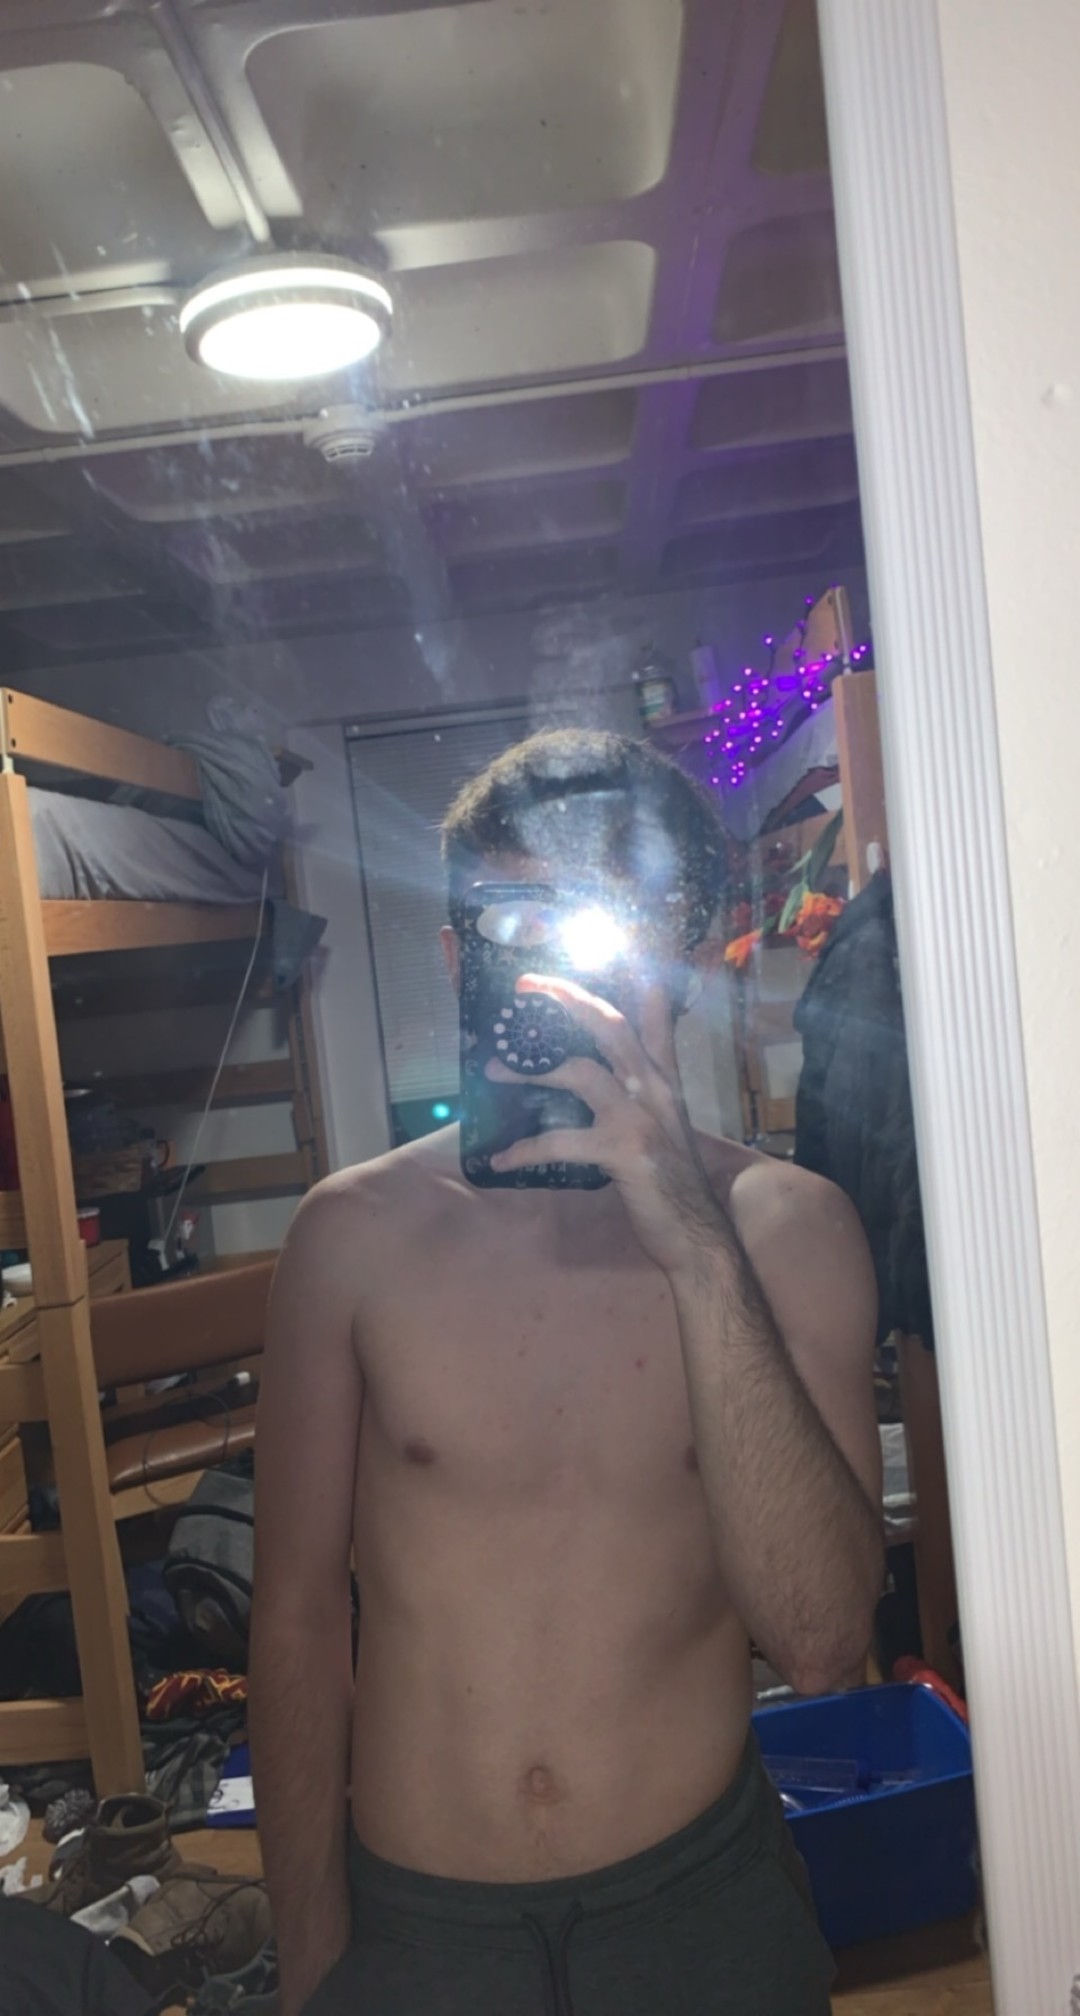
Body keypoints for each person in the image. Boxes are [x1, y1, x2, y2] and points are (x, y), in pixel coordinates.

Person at [250, 729, 883, 2016]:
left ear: (686, 956)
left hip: (699, 1915)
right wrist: (310, 1953)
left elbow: (822, 1643)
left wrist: (693, 1244)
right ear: (455, 956)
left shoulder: (787, 1232)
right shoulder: (348, 1237)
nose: (557, 967)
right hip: (421, 1935)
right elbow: (298, 1616)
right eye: (516, 920)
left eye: (603, 926)